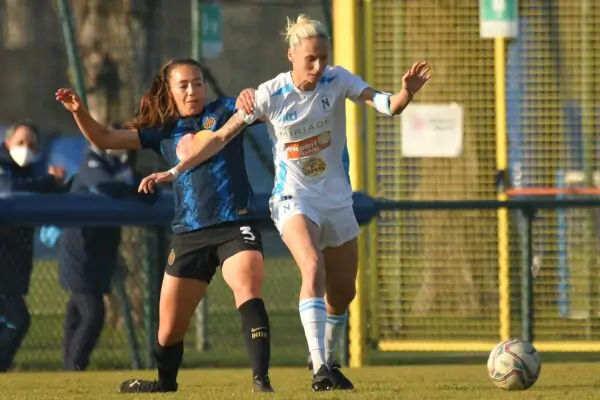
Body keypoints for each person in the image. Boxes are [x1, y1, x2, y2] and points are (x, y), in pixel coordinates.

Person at [138, 15, 431, 391]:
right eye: (310, 59)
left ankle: (325, 356)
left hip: (337, 199)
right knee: (312, 266)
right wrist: (175, 171)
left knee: (343, 292)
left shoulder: (338, 79)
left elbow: (387, 105)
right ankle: (320, 369)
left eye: (323, 57)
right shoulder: (271, 94)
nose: (318, 66)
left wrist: (405, 94)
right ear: (291, 55)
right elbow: (220, 137)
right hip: (293, 198)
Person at [55, 57, 274, 393]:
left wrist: (251, 94)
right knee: (168, 331)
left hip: (234, 223)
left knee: (248, 286)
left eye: (198, 83)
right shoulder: (163, 130)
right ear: (169, 91)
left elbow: (265, 106)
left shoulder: (224, 110)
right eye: (183, 85)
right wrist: (78, 111)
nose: (192, 90)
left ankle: (261, 382)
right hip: (189, 233)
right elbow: (104, 137)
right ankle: (165, 384)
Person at [50, 142, 154, 371]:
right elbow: (105, 186)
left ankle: (69, 368)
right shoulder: (91, 164)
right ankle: (75, 367)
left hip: (102, 251)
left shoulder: (122, 168)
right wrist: (130, 188)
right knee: (93, 313)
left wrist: (133, 185)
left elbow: (149, 194)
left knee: (76, 311)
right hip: (80, 250)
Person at [0, 120, 65, 372]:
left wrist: (57, 184)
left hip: (15, 259)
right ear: (7, 143)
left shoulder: (32, 171)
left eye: (31, 144)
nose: (25, 148)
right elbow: (8, 189)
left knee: (13, 320)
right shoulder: (4, 166)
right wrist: (48, 183)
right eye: (20, 142)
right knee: (17, 320)